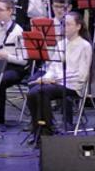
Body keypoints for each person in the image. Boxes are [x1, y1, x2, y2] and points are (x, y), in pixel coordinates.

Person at [27, 12, 91, 141]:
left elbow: (82, 75)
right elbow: (53, 67)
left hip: (72, 85)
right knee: (32, 93)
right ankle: (38, 129)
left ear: (78, 27)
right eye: (63, 24)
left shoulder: (85, 46)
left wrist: (55, 80)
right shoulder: (61, 44)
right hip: (57, 82)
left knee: (41, 92)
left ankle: (47, 131)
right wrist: (46, 78)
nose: (64, 27)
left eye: (68, 24)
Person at [0, 0, 28, 125]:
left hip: (15, 68)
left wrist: (5, 56)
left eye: (0, 10)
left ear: (10, 11)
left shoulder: (18, 31)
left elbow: (24, 60)